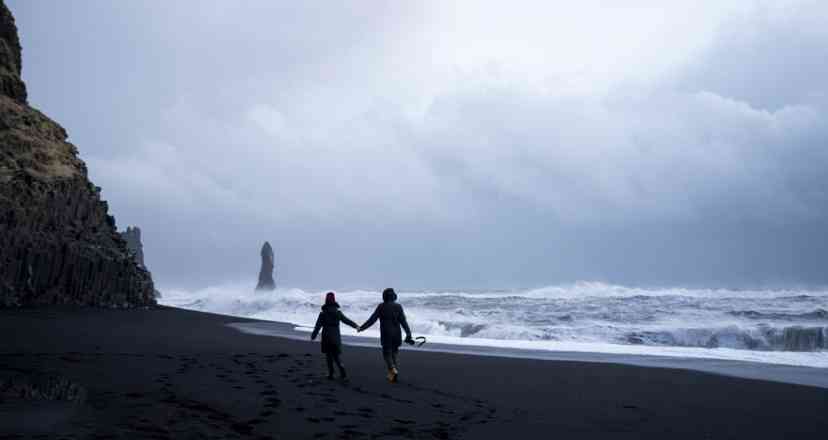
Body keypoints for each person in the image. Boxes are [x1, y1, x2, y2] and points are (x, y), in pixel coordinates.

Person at [358, 287, 413, 383]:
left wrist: (362, 328)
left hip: (386, 334)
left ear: (384, 296)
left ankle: (392, 370)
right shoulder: (398, 307)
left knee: (386, 354)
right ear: (394, 296)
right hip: (397, 334)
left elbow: (372, 320)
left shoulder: (381, 307)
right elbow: (404, 322)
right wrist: (408, 333)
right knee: (394, 354)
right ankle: (392, 375)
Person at [311, 292, 359, 380]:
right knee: (336, 356)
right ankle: (343, 372)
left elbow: (317, 326)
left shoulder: (323, 314)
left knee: (328, 356)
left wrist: (313, 336)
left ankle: (331, 374)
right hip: (335, 337)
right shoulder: (338, 313)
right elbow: (347, 321)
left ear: (326, 300)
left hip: (326, 337)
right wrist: (356, 326)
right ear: (334, 301)